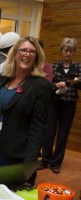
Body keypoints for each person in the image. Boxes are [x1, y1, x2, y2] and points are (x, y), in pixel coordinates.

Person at [0, 36, 53, 184]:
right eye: (23, 50)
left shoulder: (41, 86)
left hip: (13, 149)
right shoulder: (2, 78)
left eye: (32, 52)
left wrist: (28, 166)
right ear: (15, 53)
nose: (27, 54)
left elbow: (38, 128)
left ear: (37, 57)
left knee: (3, 189)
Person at [39, 38, 81, 174]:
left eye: (70, 51)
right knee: (49, 132)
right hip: (54, 103)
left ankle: (56, 163)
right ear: (61, 51)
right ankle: (45, 159)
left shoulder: (79, 67)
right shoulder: (54, 66)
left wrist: (76, 83)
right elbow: (47, 84)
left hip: (69, 104)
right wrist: (56, 85)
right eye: (65, 50)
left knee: (63, 134)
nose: (67, 53)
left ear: (74, 52)